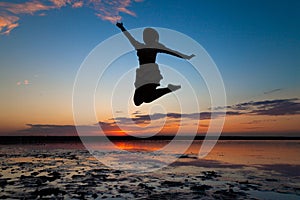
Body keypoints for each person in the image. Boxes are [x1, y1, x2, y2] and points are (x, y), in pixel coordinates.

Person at [116, 22, 195, 106]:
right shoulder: (139, 46)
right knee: (139, 101)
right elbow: (129, 37)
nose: (146, 38)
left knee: (144, 100)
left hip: (151, 74)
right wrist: (122, 27)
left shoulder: (154, 47)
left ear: (153, 37)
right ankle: (169, 89)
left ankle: (169, 89)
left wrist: (186, 57)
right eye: (145, 36)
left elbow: (172, 52)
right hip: (142, 74)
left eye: (149, 36)